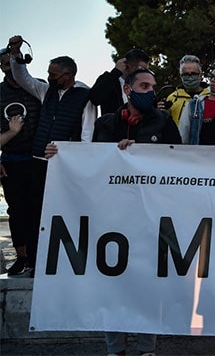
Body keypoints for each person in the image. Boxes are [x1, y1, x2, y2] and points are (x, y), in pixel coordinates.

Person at [46, 67, 180, 356]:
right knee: (112, 283)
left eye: (152, 86)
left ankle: (147, 349)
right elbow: (90, 163)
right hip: (112, 217)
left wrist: (140, 151)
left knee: (147, 284)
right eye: (143, 86)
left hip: (151, 215)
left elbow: (178, 163)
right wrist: (60, 158)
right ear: (128, 90)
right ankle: (114, 349)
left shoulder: (164, 123)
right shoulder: (106, 123)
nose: (150, 91)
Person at [8, 35, 97, 274]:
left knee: (65, 213)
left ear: (68, 75)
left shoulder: (85, 97)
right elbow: (21, 76)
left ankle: (67, 263)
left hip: (65, 168)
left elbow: (87, 135)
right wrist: (16, 55)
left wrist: (71, 156)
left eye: (54, 74)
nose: (49, 77)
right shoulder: (46, 91)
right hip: (37, 164)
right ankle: (37, 263)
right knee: (35, 214)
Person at [0, 47, 41, 276]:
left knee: (38, 210)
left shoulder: (37, 86)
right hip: (12, 160)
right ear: (2, 68)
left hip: (37, 159)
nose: (11, 68)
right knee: (17, 212)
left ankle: (37, 257)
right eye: (6, 64)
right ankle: (22, 257)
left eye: (15, 63)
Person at [89, 48, 150, 115]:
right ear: (127, 66)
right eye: (141, 69)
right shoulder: (109, 80)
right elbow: (94, 98)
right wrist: (115, 73)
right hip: (114, 124)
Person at [161, 55, 209, 126]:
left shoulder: (211, 96)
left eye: (193, 74)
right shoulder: (173, 98)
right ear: (181, 76)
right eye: (186, 74)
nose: (190, 78)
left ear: (201, 75)